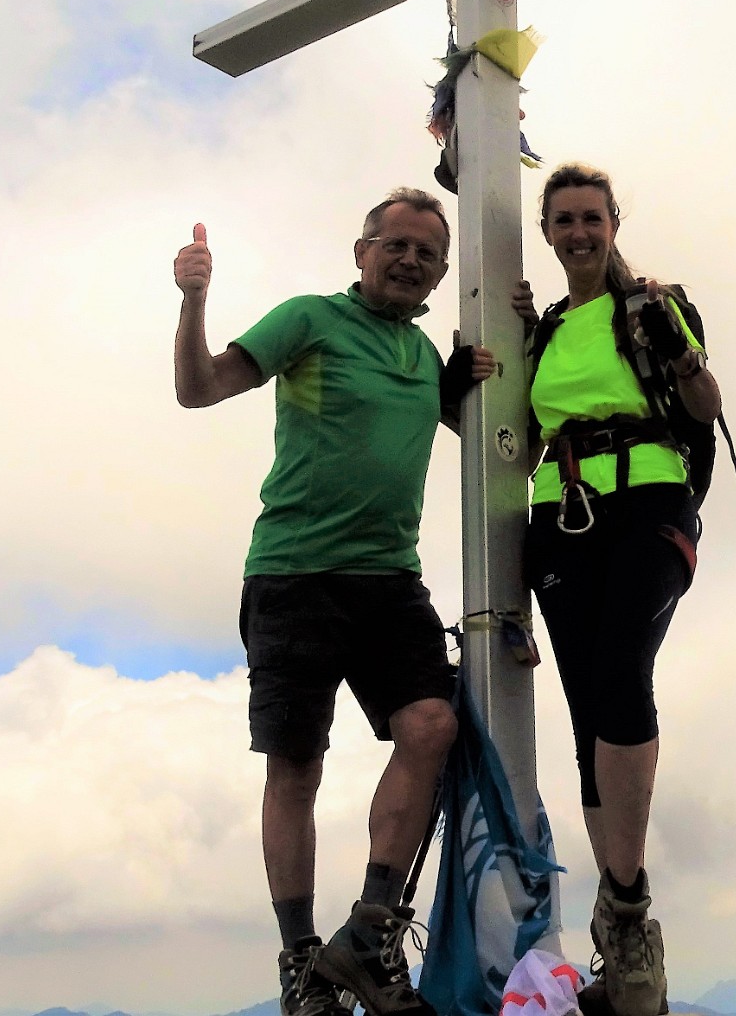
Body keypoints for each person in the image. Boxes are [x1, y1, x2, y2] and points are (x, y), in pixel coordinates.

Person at [174, 188, 496, 1016]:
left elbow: (499, 434)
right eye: (397, 244)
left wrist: (490, 362)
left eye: (429, 252)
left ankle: (370, 935)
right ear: (362, 251)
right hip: (294, 573)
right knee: (297, 765)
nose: (412, 260)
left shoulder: (425, 359)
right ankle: (300, 963)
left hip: (391, 579)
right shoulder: (310, 319)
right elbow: (201, 389)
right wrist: (196, 302)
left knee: (432, 726)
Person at [511, 163, 722, 1016]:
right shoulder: (546, 329)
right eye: (562, 221)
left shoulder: (656, 306)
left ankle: (627, 910)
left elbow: (705, 404)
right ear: (549, 232)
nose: (578, 233)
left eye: (591, 218)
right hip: (564, 515)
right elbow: (516, 437)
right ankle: (620, 928)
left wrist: (681, 343)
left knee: (620, 676)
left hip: (652, 502)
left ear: (612, 223)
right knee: (589, 710)